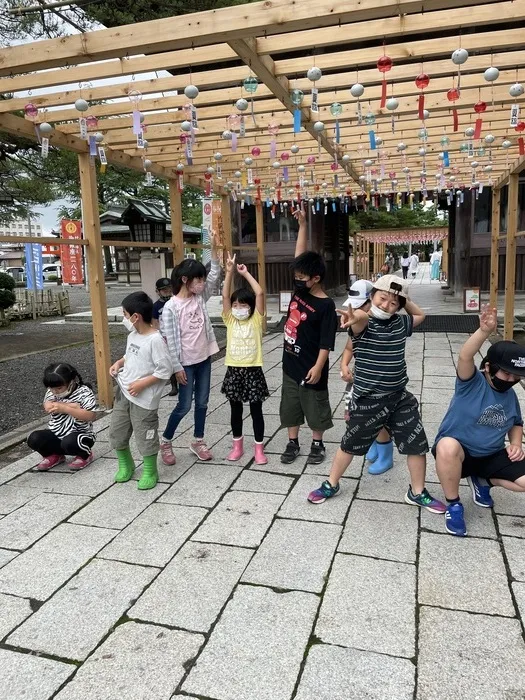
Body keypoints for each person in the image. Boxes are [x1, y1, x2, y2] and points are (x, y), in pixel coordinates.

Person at [307, 274, 445, 514]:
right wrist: (357, 315)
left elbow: (420, 315)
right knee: (350, 444)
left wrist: (403, 296)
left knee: (416, 444)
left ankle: (417, 491)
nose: (386, 306)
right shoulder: (365, 322)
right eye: (382, 299)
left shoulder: (400, 323)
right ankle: (331, 483)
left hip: (399, 397)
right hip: (368, 399)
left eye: (393, 304)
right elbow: (359, 319)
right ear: (371, 297)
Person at [433, 306, 525, 536]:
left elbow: (516, 422)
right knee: (446, 446)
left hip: (491, 455)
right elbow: (465, 356)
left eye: (517, 376)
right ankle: (453, 504)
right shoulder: (471, 383)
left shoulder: (511, 396)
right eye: (506, 373)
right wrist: (484, 331)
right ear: (487, 368)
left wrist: (515, 443)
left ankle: (483, 482)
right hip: (460, 454)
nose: (512, 380)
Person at [280, 208, 338, 465]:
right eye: (297, 276)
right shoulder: (300, 290)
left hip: (311, 367)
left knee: (315, 406)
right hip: (290, 362)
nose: (298, 280)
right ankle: (293, 442)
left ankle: (317, 443)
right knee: (290, 406)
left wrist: (318, 366)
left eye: (302, 278)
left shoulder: (327, 306)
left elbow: (326, 342)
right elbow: (299, 256)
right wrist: (302, 225)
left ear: (316, 279)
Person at [160, 232, 221, 465]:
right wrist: (177, 368)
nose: (203, 283)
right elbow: (171, 342)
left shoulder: (199, 297)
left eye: (202, 280)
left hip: (203, 359)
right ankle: (166, 440)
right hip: (185, 364)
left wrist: (214, 247)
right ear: (185, 279)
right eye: (198, 280)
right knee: (184, 405)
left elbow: (214, 274)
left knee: (203, 402)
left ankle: (198, 439)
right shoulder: (171, 308)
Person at [109, 292, 172, 490]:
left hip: (143, 398)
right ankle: (126, 464)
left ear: (136, 317)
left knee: (145, 434)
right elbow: (129, 356)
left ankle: (150, 470)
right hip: (124, 391)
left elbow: (165, 369)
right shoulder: (133, 335)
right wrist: (119, 363)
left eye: (125, 314)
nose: (124, 318)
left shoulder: (156, 340)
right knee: (117, 432)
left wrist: (142, 384)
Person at [340, 279, 394, 475]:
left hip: (379, 382)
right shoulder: (356, 325)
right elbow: (349, 347)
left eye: (358, 307)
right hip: (359, 380)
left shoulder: (386, 324)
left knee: (379, 418)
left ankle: (386, 454)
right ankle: (371, 444)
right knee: (358, 414)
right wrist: (344, 364)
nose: (354, 312)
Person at [221, 252, 269, 464]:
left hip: (253, 370)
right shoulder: (230, 320)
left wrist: (246, 273)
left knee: (256, 410)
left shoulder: (256, 320)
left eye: (243, 305)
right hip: (234, 370)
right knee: (235, 410)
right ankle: (237, 445)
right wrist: (229, 272)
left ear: (250, 307)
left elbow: (259, 293)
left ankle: (259, 448)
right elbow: (224, 296)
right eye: (236, 305)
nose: (239, 309)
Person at [28, 362, 97, 471]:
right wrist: (51, 405)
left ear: (71, 381)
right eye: (51, 389)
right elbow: (47, 404)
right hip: (56, 432)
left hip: (79, 434)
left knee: (70, 442)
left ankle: (84, 455)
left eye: (59, 388)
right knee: (34, 438)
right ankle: (53, 455)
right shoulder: (52, 391)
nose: (55, 392)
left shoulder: (84, 392)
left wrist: (65, 408)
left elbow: (90, 415)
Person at [152, 277, 178, 397]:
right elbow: (155, 322)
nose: (167, 291)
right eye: (164, 290)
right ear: (158, 291)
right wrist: (159, 336)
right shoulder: (156, 306)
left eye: (169, 288)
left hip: (178, 334)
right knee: (170, 362)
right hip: (165, 336)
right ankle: (174, 385)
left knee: (184, 360)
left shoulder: (177, 301)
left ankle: (187, 384)